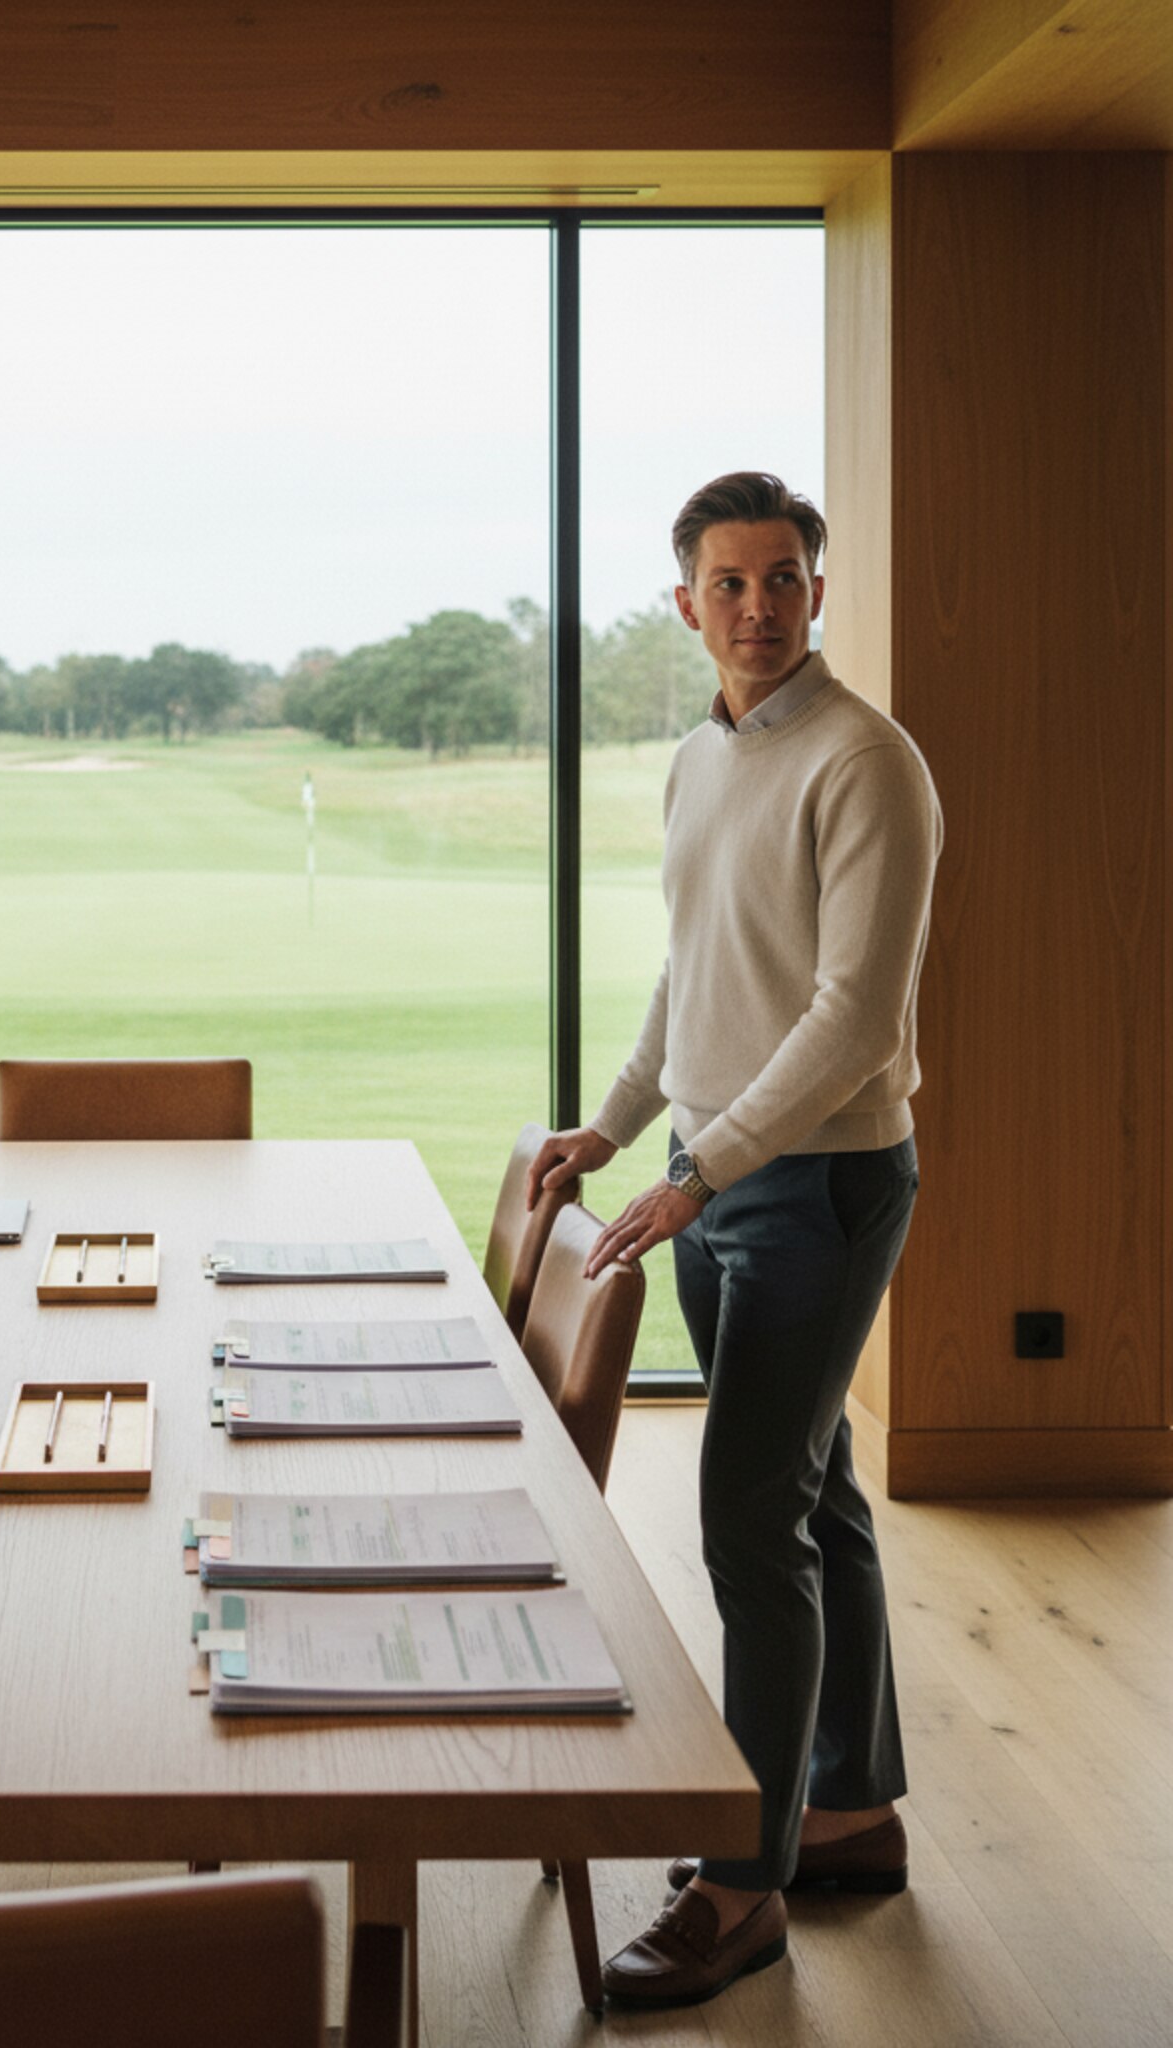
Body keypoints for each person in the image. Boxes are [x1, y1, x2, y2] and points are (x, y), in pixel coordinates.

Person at [527, 471, 941, 2009]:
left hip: (816, 1184)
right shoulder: (706, 758)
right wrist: (621, 1126)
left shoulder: (866, 763)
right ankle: (846, 1811)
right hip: (721, 1171)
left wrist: (703, 1170)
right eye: (729, 581)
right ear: (685, 601)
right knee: (813, 1488)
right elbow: (694, 972)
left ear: (818, 592)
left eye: (784, 577)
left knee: (748, 1523)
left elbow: (852, 1021)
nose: (758, 604)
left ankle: (744, 1886)